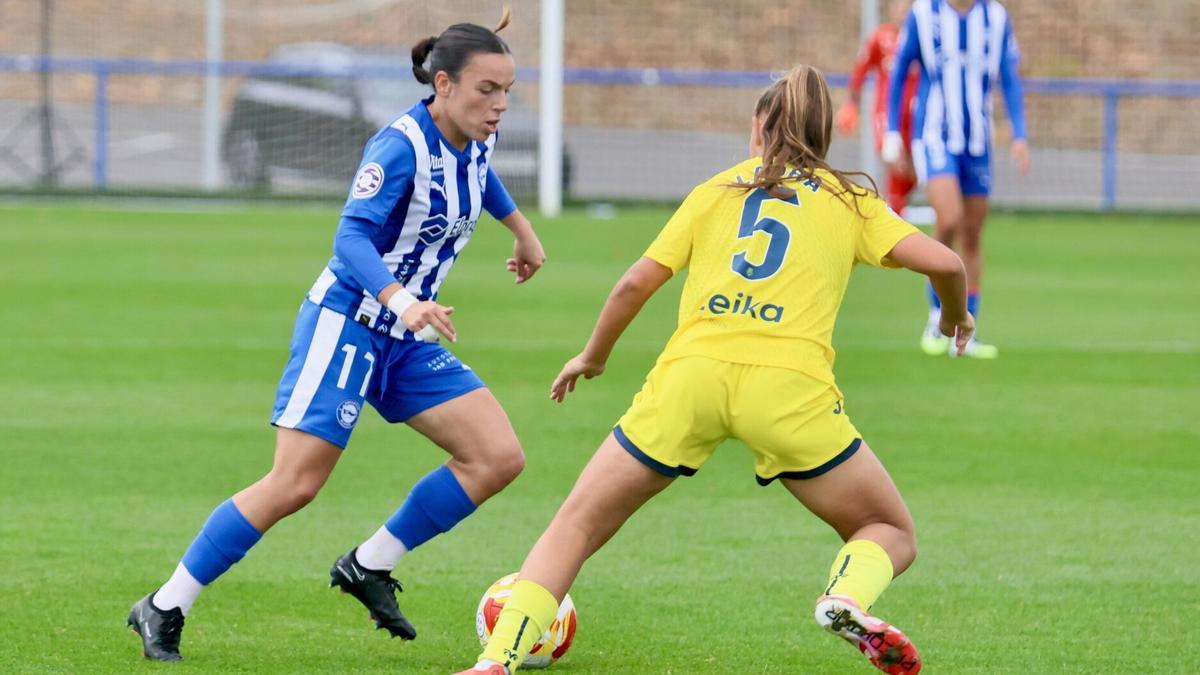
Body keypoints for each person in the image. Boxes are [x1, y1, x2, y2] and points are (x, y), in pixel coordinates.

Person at [457, 64, 973, 675]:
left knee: (576, 524)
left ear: (758, 128)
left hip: (690, 379)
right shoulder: (849, 199)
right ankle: (844, 598)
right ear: (825, 135)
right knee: (888, 528)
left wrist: (592, 356)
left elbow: (634, 283)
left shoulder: (716, 190)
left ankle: (497, 661)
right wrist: (951, 318)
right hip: (788, 390)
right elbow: (946, 262)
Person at [128, 7, 548, 662]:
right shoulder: (398, 145)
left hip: (405, 333)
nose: (499, 106)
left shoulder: (475, 135)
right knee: (294, 483)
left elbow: (479, 175)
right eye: (486, 90)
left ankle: (368, 564)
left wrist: (520, 227)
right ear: (442, 85)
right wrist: (400, 299)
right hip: (349, 321)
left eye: (507, 92)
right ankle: (163, 604)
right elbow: (349, 236)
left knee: (497, 457)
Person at [882, 0, 1029, 358]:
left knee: (973, 233)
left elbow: (1009, 77)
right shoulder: (924, 13)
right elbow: (900, 71)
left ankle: (967, 330)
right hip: (934, 135)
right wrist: (891, 131)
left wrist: (1020, 133)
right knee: (948, 219)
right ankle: (938, 314)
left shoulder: (995, 17)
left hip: (977, 141)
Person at [836, 0, 920, 215]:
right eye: (899, 5)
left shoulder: (921, 39)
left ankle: (895, 211)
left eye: (908, 5)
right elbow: (859, 72)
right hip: (887, 115)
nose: (903, 10)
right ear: (892, 8)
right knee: (895, 161)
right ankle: (893, 217)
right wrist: (851, 105)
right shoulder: (881, 38)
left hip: (917, 118)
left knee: (911, 175)